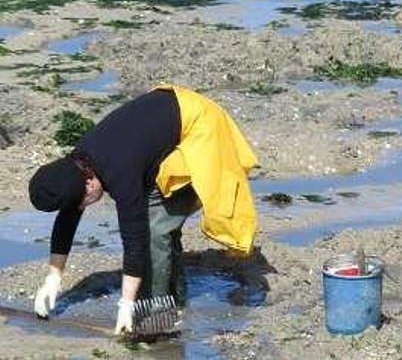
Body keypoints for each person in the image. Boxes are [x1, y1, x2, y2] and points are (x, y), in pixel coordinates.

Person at [28, 85, 258, 335]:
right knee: (159, 219)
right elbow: (68, 216)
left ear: (88, 182)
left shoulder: (120, 173)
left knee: (155, 228)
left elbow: (134, 241)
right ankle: (176, 298)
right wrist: (53, 277)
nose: (82, 207)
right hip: (169, 113)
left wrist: (126, 304)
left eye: (82, 201)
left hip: (201, 127)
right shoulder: (78, 163)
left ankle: (157, 312)